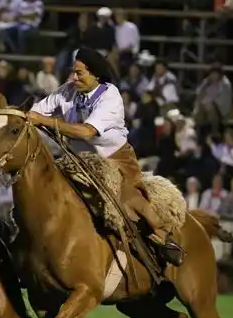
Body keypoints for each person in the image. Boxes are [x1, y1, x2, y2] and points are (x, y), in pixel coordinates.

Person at [26, 46, 184, 267]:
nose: (74, 77)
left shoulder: (110, 96)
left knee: (127, 200)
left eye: (79, 73)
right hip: (77, 160)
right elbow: (36, 111)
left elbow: (87, 131)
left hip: (115, 160)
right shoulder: (67, 90)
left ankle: (163, 236)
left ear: (96, 75)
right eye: (73, 72)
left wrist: (46, 121)